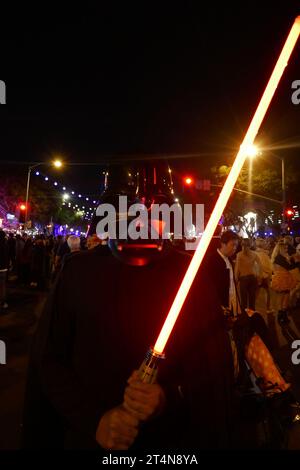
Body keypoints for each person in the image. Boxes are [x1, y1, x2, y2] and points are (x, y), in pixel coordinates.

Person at [22, 162, 239, 450]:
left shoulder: (191, 276)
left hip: (170, 444)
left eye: (155, 209)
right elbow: (48, 361)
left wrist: (169, 396)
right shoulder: (78, 272)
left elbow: (213, 371)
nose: (143, 220)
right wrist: (95, 421)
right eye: (131, 210)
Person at [271, 240, 298, 324]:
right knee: (283, 298)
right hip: (282, 279)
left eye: (286, 248)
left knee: (284, 297)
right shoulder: (280, 258)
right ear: (280, 249)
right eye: (285, 249)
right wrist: (296, 262)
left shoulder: (279, 257)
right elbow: (289, 267)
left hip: (282, 278)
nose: (286, 250)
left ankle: (283, 315)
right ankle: (281, 316)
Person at [235, 238, 262, 313]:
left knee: (244, 301)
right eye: (243, 245)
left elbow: (237, 268)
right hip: (251, 278)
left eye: (244, 245)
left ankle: (245, 318)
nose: (243, 247)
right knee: (251, 300)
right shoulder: (254, 254)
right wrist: (259, 276)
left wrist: (236, 279)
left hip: (244, 279)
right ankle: (251, 318)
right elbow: (260, 266)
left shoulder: (239, 255)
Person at [255, 238, 273, 313]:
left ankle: (252, 308)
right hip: (265, 276)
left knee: (256, 293)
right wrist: (270, 273)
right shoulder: (264, 254)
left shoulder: (255, 253)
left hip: (258, 276)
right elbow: (267, 266)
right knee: (268, 292)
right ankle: (268, 308)